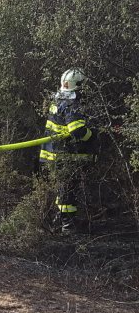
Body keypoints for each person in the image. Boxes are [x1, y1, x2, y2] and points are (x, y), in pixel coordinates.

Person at [39, 69, 98, 234]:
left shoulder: (59, 100)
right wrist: (93, 134)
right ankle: (68, 225)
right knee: (68, 190)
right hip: (66, 156)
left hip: (55, 154)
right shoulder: (72, 105)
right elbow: (77, 131)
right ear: (78, 86)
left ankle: (59, 220)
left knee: (63, 189)